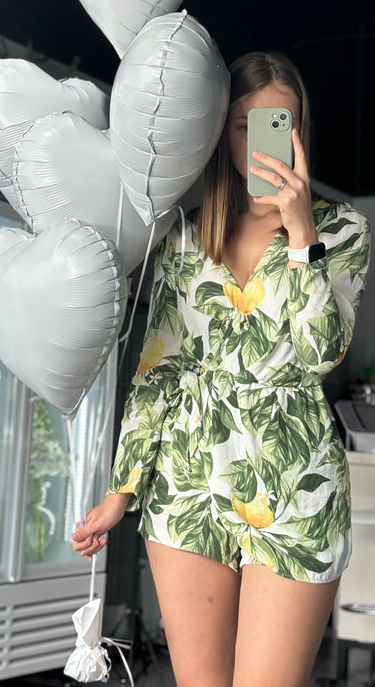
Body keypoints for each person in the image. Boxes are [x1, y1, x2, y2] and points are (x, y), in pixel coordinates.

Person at [71, 51, 371, 687]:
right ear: (219, 132)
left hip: (295, 482)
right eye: (243, 124)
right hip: (188, 476)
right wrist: (121, 491)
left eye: (276, 122)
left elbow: (321, 354)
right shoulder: (185, 236)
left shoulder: (341, 228)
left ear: (299, 130)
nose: (258, 140)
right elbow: (157, 371)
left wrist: (299, 236)